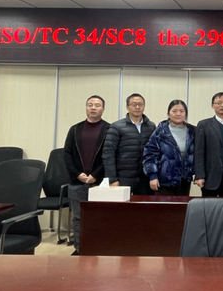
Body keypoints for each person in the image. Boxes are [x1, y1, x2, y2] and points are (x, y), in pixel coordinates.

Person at [63, 95, 110, 255]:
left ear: (103, 109)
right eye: (90, 104)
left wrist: (96, 174)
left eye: (97, 105)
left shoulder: (109, 129)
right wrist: (78, 174)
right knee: (78, 218)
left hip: (100, 183)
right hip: (77, 182)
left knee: (100, 218)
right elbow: (67, 154)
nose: (93, 108)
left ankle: (98, 250)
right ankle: (80, 249)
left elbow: (109, 156)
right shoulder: (75, 129)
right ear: (86, 107)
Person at [102, 93, 155, 195]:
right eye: (134, 104)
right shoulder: (116, 126)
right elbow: (108, 154)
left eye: (140, 104)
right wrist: (112, 179)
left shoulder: (151, 126)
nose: (137, 107)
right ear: (127, 107)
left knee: (144, 205)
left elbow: (154, 152)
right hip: (123, 179)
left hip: (145, 180)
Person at [143, 100, 195, 196]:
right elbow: (150, 154)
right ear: (168, 113)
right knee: (164, 205)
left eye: (181, 111)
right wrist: (152, 176)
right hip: (163, 180)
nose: (178, 114)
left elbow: (198, 155)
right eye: (174, 111)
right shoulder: (161, 131)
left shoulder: (192, 131)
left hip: (184, 180)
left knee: (182, 205)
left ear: (186, 113)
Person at [194, 92, 223, 197]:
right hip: (210, 177)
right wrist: (199, 175)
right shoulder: (203, 125)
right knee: (209, 206)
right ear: (212, 105)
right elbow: (199, 152)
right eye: (218, 103)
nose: (222, 105)